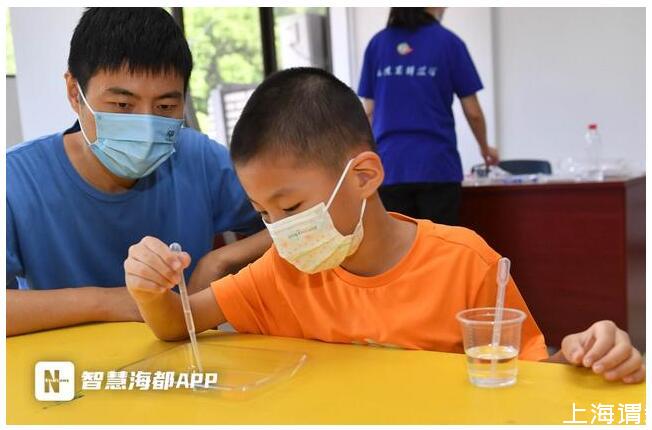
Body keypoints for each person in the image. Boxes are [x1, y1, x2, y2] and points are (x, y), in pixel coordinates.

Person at [124, 68, 644, 384]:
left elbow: (528, 377)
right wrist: (150, 290)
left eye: (291, 206)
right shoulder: (282, 271)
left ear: (364, 176)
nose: (278, 231)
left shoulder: (465, 263)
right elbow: (178, 325)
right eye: (263, 213)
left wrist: (588, 354)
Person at [6, 8, 271, 336]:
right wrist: (109, 302)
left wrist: (221, 260)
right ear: (75, 93)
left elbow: (302, 222)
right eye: (122, 106)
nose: (146, 125)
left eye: (165, 107)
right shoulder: (16, 179)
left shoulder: (199, 158)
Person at [358, 7, 497, 225]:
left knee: (398, 245)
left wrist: (361, 158)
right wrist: (485, 148)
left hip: (390, 167)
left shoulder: (377, 44)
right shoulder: (449, 43)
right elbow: (473, 112)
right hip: (437, 166)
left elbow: (368, 111)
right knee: (439, 242)